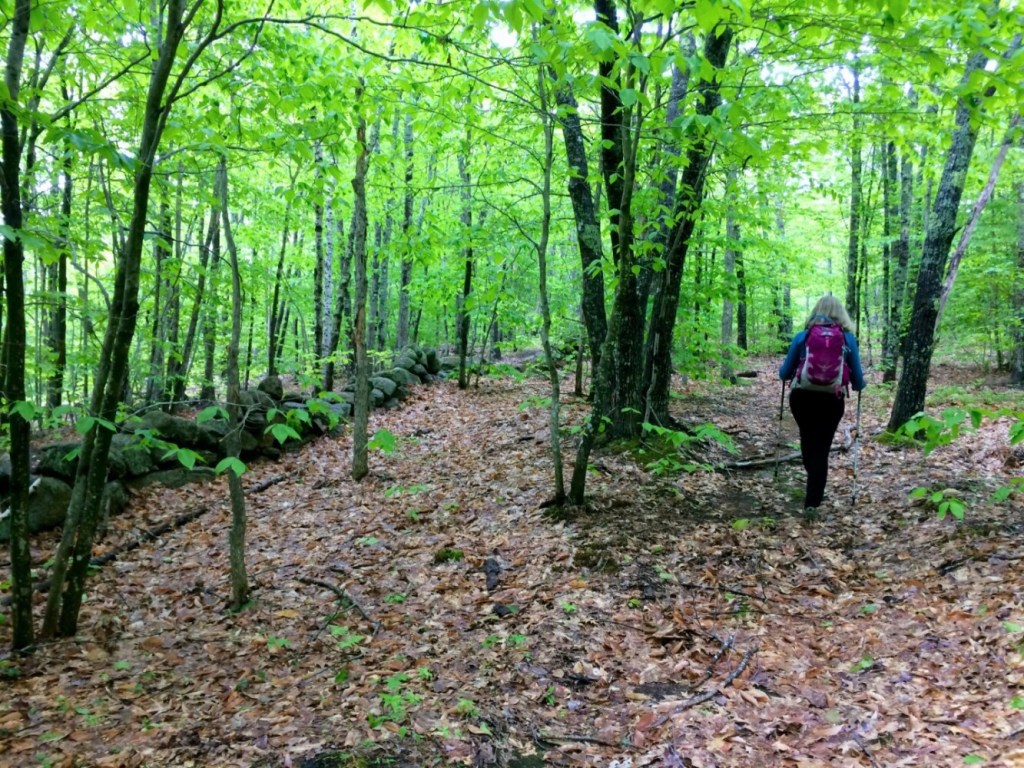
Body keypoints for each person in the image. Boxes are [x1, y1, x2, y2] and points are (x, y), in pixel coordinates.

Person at [778, 295, 866, 520]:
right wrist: (858, 384)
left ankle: (813, 488)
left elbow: (784, 373)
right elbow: (858, 380)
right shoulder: (847, 338)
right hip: (831, 400)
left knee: (808, 442)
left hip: (802, 399)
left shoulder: (803, 336)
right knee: (822, 449)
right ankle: (813, 501)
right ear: (841, 314)